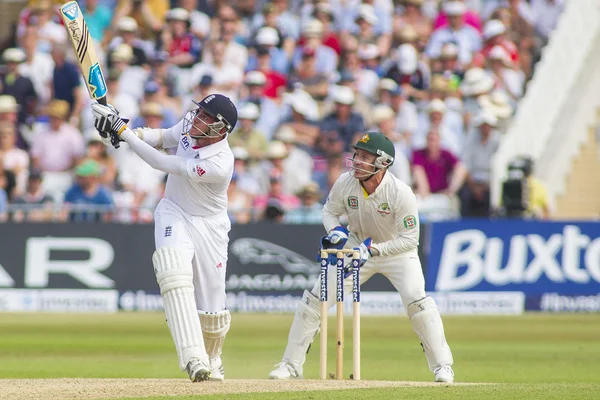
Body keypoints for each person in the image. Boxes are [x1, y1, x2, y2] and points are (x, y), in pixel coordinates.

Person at [268, 131, 454, 383]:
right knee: (315, 300)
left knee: (418, 303)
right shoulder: (346, 183)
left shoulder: (401, 193)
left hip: (396, 251)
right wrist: (335, 232)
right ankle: (291, 365)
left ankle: (443, 366)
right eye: (357, 154)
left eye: (365, 157)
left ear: (383, 163)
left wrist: (376, 250)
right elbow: (329, 211)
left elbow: (410, 239)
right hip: (355, 246)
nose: (356, 160)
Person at [90, 93, 238, 382]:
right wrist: (123, 133)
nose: (198, 118)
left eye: (207, 117)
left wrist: (122, 132)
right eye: (199, 112)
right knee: (173, 272)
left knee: (212, 311)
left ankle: (213, 358)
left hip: (210, 226)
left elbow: (162, 163)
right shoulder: (190, 124)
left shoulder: (221, 163)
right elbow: (162, 138)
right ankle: (194, 359)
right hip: (173, 210)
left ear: (221, 129)